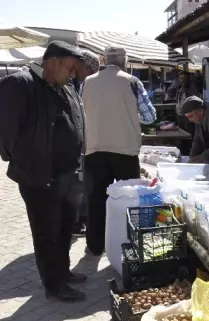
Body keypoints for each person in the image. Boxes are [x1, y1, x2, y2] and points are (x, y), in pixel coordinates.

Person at [0, 41, 89, 302]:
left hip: (67, 175)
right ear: (53, 63)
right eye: (70, 68)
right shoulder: (20, 84)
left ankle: (63, 272)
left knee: (64, 228)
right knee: (46, 233)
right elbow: (5, 132)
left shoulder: (64, 86)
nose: (72, 75)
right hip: (39, 178)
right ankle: (53, 285)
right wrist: (24, 162)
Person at [82, 46, 156, 256]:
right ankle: (128, 244)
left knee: (95, 199)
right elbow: (149, 117)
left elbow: (80, 113)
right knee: (129, 199)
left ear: (104, 60)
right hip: (125, 151)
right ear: (124, 62)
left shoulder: (87, 82)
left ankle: (96, 246)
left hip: (94, 149)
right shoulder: (132, 81)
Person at [71, 50, 100, 237]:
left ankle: (81, 218)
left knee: (83, 180)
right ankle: (77, 221)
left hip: (83, 139)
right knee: (78, 181)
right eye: (90, 71)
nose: (90, 75)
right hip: (75, 142)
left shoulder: (80, 82)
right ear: (84, 67)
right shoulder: (71, 82)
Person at [175, 71, 197, 155]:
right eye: (180, 78)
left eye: (184, 78)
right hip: (179, 115)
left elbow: (194, 100)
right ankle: (183, 152)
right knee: (180, 136)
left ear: (188, 79)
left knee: (189, 135)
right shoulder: (179, 88)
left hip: (188, 115)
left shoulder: (191, 89)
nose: (182, 80)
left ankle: (190, 153)